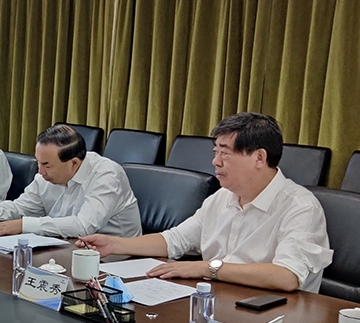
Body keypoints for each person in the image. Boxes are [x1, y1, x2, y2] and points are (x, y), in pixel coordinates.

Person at [79, 112, 332, 292]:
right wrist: (115, 244)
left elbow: (286, 276)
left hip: (275, 315)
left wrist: (205, 268)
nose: (215, 162)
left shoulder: (300, 207)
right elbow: (175, 240)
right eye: (215, 152)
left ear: (259, 157)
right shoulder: (222, 197)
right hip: (219, 300)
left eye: (225, 153)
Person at [0, 123, 140, 239]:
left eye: (47, 165)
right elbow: (22, 208)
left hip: (117, 259)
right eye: (38, 162)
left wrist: (23, 225)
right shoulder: (45, 176)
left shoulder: (106, 175)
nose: (40, 171)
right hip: (67, 247)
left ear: (74, 163)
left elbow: (83, 226)